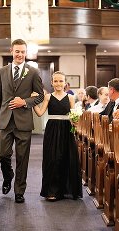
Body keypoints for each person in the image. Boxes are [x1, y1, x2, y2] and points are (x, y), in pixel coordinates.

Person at [0, 39, 45, 203]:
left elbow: (41, 96)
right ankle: (8, 175)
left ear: (26, 53)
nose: (20, 54)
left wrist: (25, 102)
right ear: (12, 51)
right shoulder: (2, 71)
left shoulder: (33, 72)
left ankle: (19, 191)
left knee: (22, 158)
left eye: (22, 52)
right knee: (2, 153)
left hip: (23, 121)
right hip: (5, 119)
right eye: (17, 51)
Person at [31, 71, 82, 201]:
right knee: (52, 159)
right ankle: (52, 191)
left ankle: (66, 190)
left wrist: (75, 121)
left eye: (61, 81)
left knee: (67, 158)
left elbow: (73, 117)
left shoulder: (70, 97)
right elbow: (40, 113)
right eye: (56, 81)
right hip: (52, 129)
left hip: (67, 129)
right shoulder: (48, 96)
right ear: (52, 83)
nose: (58, 83)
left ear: (65, 83)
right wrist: (33, 103)